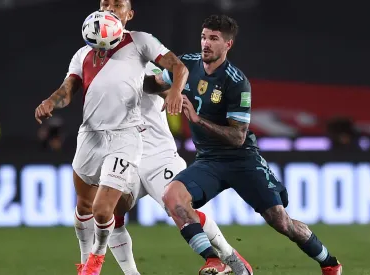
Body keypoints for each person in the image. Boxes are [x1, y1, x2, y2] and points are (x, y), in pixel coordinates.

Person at [153, 14, 343, 275]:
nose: (205, 43)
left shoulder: (236, 81)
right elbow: (154, 83)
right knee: (172, 197)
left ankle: (330, 263)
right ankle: (213, 260)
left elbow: (237, 136)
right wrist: (134, 83)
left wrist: (198, 119)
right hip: (208, 161)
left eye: (213, 39)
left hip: (241, 160)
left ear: (227, 45)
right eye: (203, 37)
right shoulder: (186, 64)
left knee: (281, 222)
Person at [34, 0, 186, 274]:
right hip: (90, 137)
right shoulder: (82, 55)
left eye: (117, 4)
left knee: (104, 210)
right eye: (105, 3)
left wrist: (173, 90)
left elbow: (176, 68)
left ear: (129, 14)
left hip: (126, 136)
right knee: (84, 206)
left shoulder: (140, 42)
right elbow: (67, 91)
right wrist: (50, 101)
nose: (109, 8)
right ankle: (85, 260)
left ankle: (95, 262)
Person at [73, 62, 252, 275]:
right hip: (127, 157)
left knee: (181, 209)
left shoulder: (142, 64)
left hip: (159, 157)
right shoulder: (96, 76)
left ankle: (227, 254)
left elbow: (165, 86)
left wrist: (174, 92)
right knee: (109, 209)